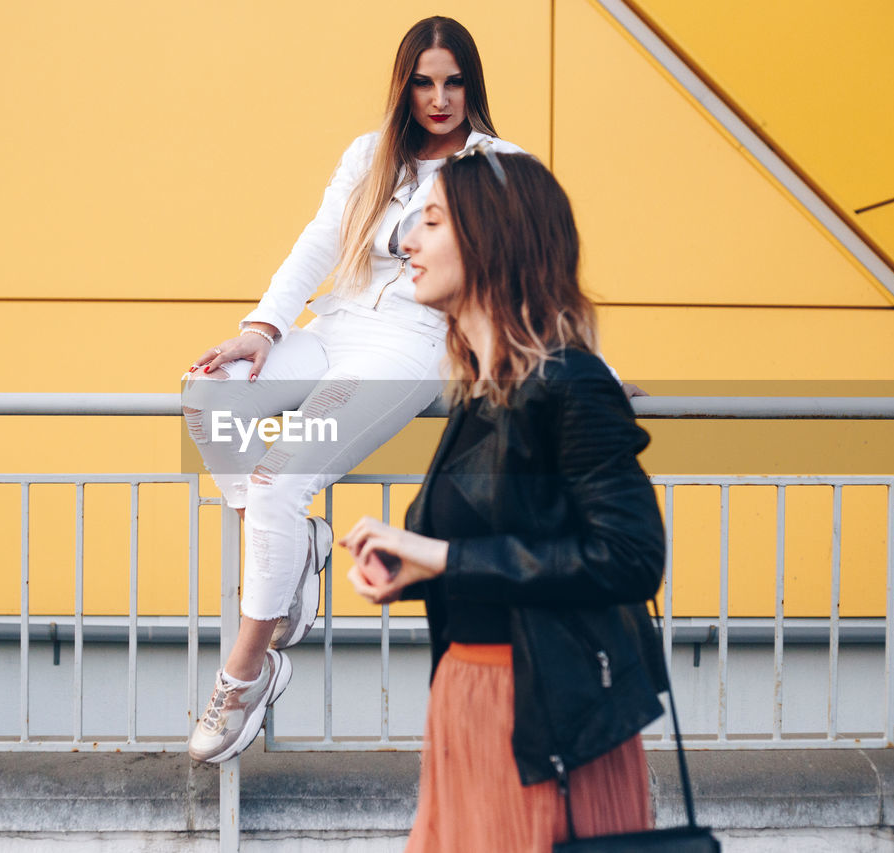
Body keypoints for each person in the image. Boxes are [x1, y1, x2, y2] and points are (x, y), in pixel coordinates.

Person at [181, 17, 525, 765]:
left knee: (277, 483)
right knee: (208, 389)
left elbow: (528, 271)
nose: (440, 98)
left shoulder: (498, 166)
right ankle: (291, 551)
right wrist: (264, 328)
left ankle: (249, 665)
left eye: (454, 81)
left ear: (473, 84)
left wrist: (561, 357)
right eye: (425, 81)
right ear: (405, 85)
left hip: (402, 348)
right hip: (331, 327)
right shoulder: (371, 156)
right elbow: (317, 240)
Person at [341, 149, 670, 851]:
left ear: (491, 236)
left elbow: (632, 556)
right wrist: (418, 569)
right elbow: (492, 552)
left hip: (545, 722)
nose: (407, 243)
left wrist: (444, 555)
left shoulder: (572, 384)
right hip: (470, 704)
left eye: (430, 222)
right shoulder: (482, 392)